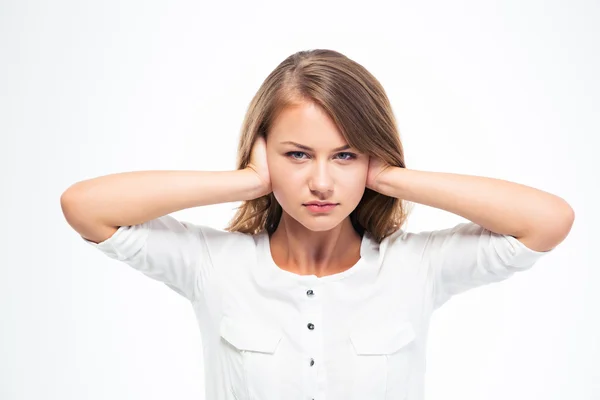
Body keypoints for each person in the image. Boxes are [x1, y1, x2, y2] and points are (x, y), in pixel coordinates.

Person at [60, 49, 574, 400]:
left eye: (345, 155)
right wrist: (244, 183)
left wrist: (390, 177)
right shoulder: (213, 264)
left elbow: (548, 221)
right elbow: (86, 206)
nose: (322, 182)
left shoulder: (416, 267)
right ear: (264, 155)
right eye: (298, 154)